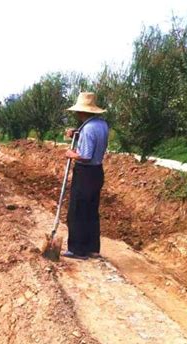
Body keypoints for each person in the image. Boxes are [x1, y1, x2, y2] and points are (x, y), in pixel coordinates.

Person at [63, 92, 109, 260]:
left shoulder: (88, 129)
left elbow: (86, 155)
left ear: (82, 112)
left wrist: (72, 154)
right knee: (91, 211)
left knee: (77, 211)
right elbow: (92, 139)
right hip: (97, 172)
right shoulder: (102, 125)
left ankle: (77, 250)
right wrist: (77, 133)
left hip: (85, 173)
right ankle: (92, 248)